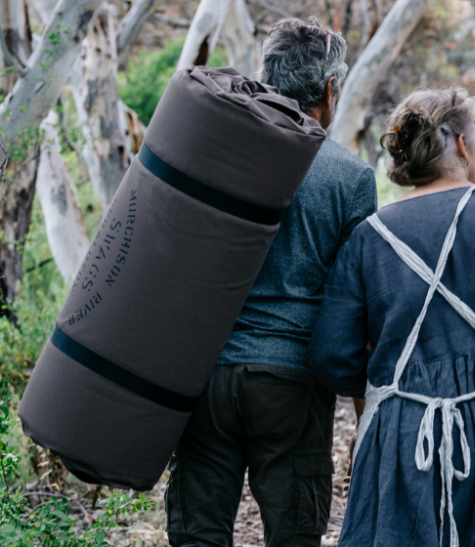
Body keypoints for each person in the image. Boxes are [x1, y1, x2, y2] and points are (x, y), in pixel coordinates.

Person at [310, 89, 475, 547]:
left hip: (403, 424)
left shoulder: (369, 239)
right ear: (460, 144)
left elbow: (333, 356)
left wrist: (391, 384)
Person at [163, 19, 376, 547]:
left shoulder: (210, 149)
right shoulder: (349, 178)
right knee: (295, 534)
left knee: (198, 534)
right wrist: (364, 416)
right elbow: (359, 303)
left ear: (263, 79)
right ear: (329, 89)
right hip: (292, 382)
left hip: (205, 376)